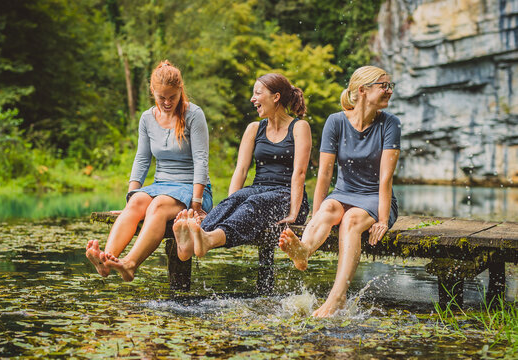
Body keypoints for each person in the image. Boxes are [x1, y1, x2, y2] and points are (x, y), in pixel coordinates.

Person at [279, 66, 401, 317]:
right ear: (363, 90)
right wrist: (315, 213)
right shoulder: (335, 122)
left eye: (390, 86)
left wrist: (382, 219)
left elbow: (386, 177)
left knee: (352, 220)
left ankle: (337, 297)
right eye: (383, 85)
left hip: (373, 199)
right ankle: (303, 251)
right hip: (343, 193)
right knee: (329, 209)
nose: (389, 91)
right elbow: (324, 174)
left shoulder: (390, 124)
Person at [85, 60, 212, 281]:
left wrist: (196, 204)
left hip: (192, 190)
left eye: (172, 97)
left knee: (158, 205)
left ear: (180, 90)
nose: (167, 102)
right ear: (152, 91)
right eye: (161, 97)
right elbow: (142, 159)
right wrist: (130, 198)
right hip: (161, 186)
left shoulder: (194, 115)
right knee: (136, 203)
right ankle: (106, 260)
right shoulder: (147, 118)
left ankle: (130, 264)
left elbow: (201, 160)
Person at [172, 73, 311, 260]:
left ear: (276, 97)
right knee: (237, 199)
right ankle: (191, 242)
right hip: (259, 190)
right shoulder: (254, 128)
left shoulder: (299, 127)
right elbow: (241, 170)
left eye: (258, 93)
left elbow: (300, 173)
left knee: (255, 203)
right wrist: (232, 204)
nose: (252, 99)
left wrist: (294, 212)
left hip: (288, 196)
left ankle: (209, 239)